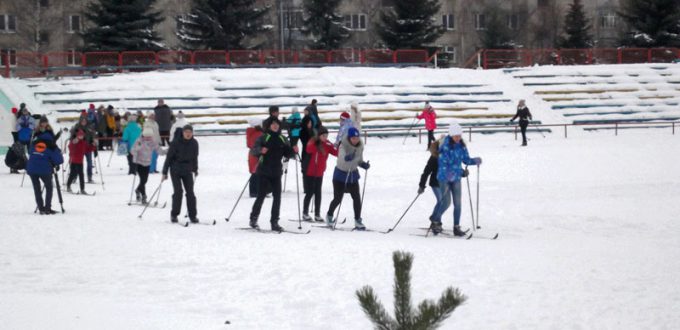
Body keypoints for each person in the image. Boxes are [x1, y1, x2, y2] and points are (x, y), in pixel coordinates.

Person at [429, 123, 481, 236]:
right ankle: (435, 220)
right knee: (446, 202)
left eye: (459, 135)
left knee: (458, 203)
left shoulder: (462, 146)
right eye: (455, 136)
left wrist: (475, 161)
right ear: (451, 135)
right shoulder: (445, 146)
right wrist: (460, 171)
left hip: (456, 179)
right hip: (444, 178)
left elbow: (466, 160)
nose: (458, 138)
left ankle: (456, 227)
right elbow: (445, 165)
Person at [249, 118, 298, 231]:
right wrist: (261, 150)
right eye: (273, 124)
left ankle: (274, 222)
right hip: (264, 171)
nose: (275, 126)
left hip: (276, 172)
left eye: (277, 124)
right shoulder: (264, 137)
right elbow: (253, 150)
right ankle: (253, 219)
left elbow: (288, 153)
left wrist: (294, 151)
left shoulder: (282, 138)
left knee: (277, 198)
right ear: (269, 126)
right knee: (261, 196)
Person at [325, 127, 370, 230]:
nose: (355, 140)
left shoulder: (360, 146)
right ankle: (329, 215)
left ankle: (358, 220)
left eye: (357, 138)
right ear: (349, 138)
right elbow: (341, 158)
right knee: (338, 199)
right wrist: (347, 157)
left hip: (353, 176)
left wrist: (363, 165)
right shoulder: (343, 145)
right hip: (340, 176)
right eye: (353, 138)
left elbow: (359, 160)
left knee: (357, 198)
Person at [162, 125, 199, 223]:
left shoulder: (194, 143)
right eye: (186, 132)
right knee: (178, 192)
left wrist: (195, 169)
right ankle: (174, 214)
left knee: (190, 193)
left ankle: (192, 215)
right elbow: (168, 158)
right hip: (175, 170)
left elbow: (195, 157)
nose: (188, 134)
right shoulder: (175, 143)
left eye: (190, 132)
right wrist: (164, 172)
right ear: (183, 133)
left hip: (187, 170)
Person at [303, 126, 337, 222]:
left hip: (320, 172)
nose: (325, 137)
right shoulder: (313, 142)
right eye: (323, 135)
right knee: (309, 192)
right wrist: (316, 143)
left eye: (326, 135)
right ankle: (305, 213)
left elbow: (335, 152)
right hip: (311, 171)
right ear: (319, 135)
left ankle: (317, 214)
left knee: (318, 193)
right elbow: (308, 149)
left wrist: (339, 146)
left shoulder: (327, 143)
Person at [26, 132, 63, 215]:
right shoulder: (52, 145)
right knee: (49, 188)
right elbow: (59, 160)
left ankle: (41, 208)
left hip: (32, 169)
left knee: (37, 189)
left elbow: (30, 152)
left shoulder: (34, 143)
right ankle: (47, 208)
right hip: (45, 170)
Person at [418, 136, 450, 225]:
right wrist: (421, 185)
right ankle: (436, 221)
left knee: (446, 203)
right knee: (441, 201)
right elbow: (426, 172)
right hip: (435, 183)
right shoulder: (434, 157)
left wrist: (463, 172)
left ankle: (434, 217)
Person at [132, 127, 166, 204]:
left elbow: (158, 150)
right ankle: (144, 196)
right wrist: (136, 150)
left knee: (145, 180)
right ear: (143, 135)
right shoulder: (139, 141)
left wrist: (165, 152)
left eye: (149, 136)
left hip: (147, 163)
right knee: (143, 180)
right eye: (146, 136)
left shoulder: (153, 142)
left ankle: (137, 190)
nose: (148, 138)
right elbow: (132, 150)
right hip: (139, 162)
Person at [66, 129, 95, 194]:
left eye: (82, 135)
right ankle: (68, 186)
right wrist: (73, 143)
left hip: (80, 162)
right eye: (79, 135)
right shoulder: (74, 141)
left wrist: (93, 146)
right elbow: (70, 147)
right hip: (73, 161)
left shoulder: (83, 142)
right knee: (72, 174)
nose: (81, 137)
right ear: (77, 135)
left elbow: (87, 150)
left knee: (81, 175)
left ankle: (82, 189)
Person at [70, 116, 97, 183]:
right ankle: (74, 177)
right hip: (78, 148)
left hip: (87, 147)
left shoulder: (89, 128)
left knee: (89, 163)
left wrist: (94, 141)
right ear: (80, 121)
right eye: (82, 121)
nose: (84, 122)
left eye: (85, 121)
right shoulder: (76, 127)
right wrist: (73, 141)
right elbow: (72, 136)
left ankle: (89, 177)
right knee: (76, 163)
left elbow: (93, 136)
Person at [246, 118, 264, 198]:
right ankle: (256, 191)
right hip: (258, 154)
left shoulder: (251, 133)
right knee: (258, 173)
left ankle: (254, 191)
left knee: (254, 173)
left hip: (252, 154)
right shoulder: (259, 134)